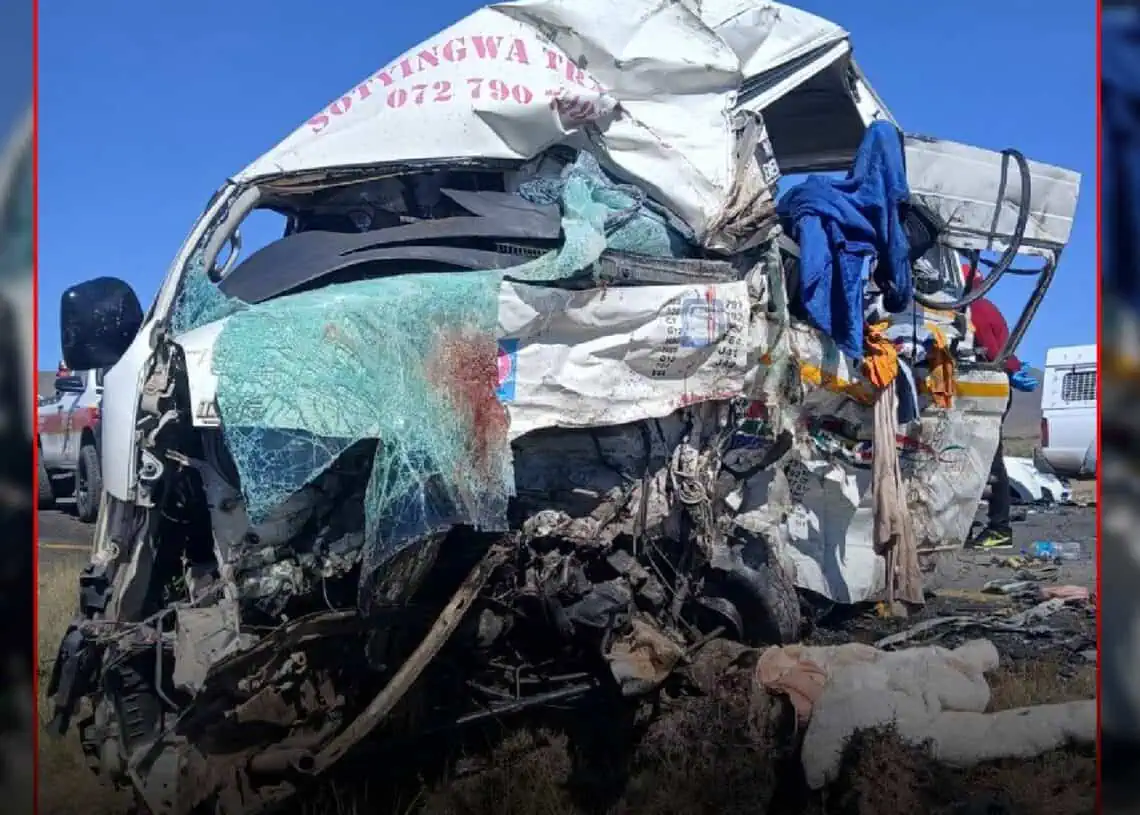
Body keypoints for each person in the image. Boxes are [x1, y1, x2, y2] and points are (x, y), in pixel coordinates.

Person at [963, 266, 1037, 550]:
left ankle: (999, 527)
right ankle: (970, 525)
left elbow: (995, 352)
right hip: (988, 388)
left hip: (985, 390)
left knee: (986, 459)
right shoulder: (985, 306)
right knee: (975, 459)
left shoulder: (976, 309)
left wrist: (1010, 369)